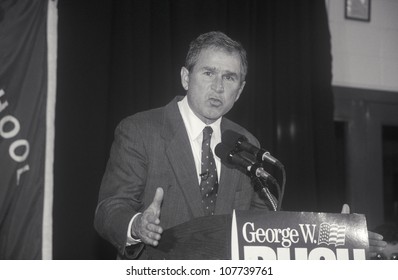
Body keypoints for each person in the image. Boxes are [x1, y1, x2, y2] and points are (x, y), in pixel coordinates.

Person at [94, 31, 386, 259]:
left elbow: (264, 230)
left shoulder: (246, 143)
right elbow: (109, 208)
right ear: (185, 77)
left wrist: (339, 236)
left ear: (240, 89)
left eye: (229, 77)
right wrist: (136, 225)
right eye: (208, 73)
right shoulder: (140, 130)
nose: (218, 86)